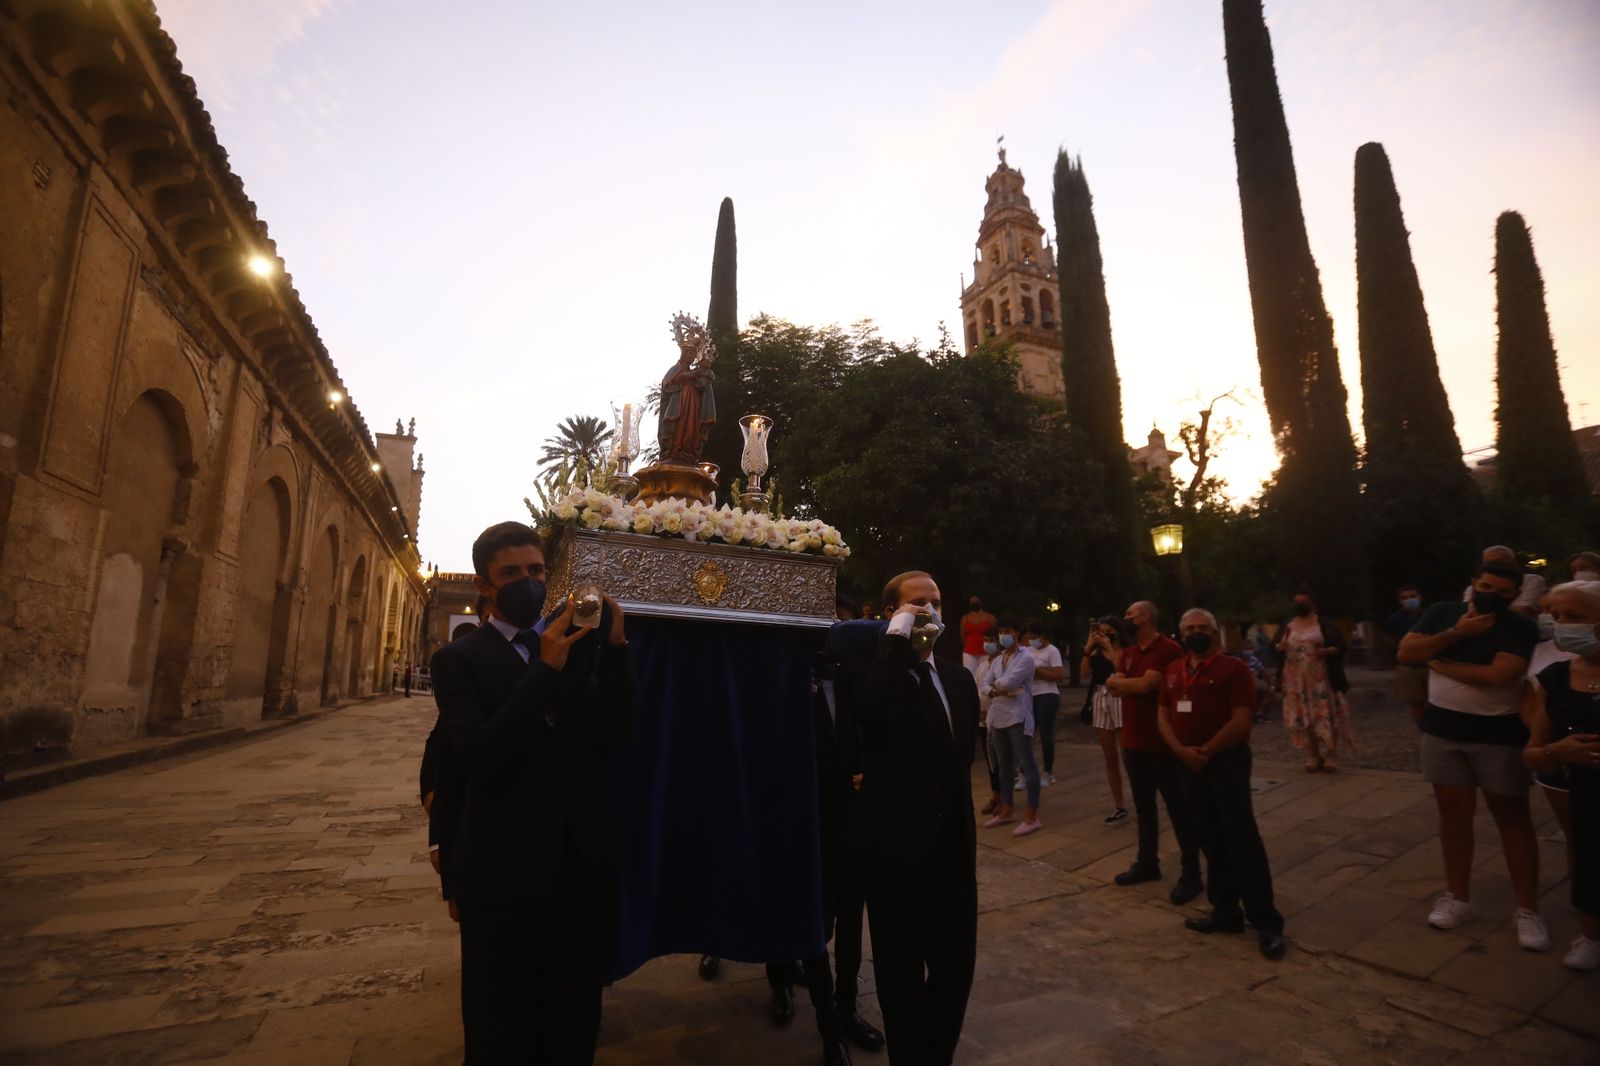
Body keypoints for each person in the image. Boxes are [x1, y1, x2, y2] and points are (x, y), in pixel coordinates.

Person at [431, 521, 634, 1062]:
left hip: (575, 871)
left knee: (571, 1022)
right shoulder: (459, 661)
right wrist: (544, 671)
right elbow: (483, 755)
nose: (529, 582)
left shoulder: (577, 644)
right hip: (501, 876)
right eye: (512, 573)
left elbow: (612, 736)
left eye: (537, 570)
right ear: (484, 585)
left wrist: (614, 652)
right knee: (501, 1026)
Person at [851, 570, 979, 1066]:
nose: (930, 611)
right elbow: (874, 712)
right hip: (896, 859)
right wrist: (898, 638)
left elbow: (960, 759)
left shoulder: (958, 679)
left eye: (936, 602)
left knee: (954, 973)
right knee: (900, 979)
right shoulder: (874, 670)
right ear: (893, 613)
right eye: (916, 604)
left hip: (952, 854)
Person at [1399, 560, 1548, 951]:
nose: (1492, 595)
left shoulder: (1519, 627)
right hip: (1443, 733)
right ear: (1473, 584)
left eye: (1502, 591)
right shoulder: (1444, 613)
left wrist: (1437, 662)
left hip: (1498, 737)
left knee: (1513, 820)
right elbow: (1407, 651)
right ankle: (1458, 897)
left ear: (1514, 595)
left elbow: (1499, 676)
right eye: (1487, 586)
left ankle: (1527, 909)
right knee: (1452, 816)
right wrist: (1455, 634)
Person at [1158, 608, 1287, 960]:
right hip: (1188, 764)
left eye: (1203, 627)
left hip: (1225, 762)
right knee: (1208, 837)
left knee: (1241, 838)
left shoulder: (1235, 669)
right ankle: (1225, 911)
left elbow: (1242, 720)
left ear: (1215, 633)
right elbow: (1164, 714)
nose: (1196, 632)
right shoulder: (1174, 671)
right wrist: (1181, 752)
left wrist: (1206, 751)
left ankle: (1265, 921)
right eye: (1190, 628)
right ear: (1182, 634)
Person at [1522, 580, 1600, 971]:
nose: (1562, 625)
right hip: (1585, 796)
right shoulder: (1554, 679)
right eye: (1556, 617)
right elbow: (1532, 754)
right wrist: (1561, 751)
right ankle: (1591, 938)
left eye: (1574, 617)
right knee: (1588, 863)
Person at [1104, 601, 1202, 904]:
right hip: (1133, 742)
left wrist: (1130, 685)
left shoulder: (1168, 649)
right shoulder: (1131, 654)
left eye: (1130, 614)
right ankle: (1147, 863)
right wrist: (1133, 685)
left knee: (1178, 807)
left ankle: (1192, 873)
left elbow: (1150, 684)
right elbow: (1112, 684)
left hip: (1162, 743)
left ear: (1145, 617)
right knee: (1144, 807)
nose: (1126, 619)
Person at [1274, 591, 1354, 772]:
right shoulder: (1288, 625)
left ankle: (1331, 754)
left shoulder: (1323, 624)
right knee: (1305, 717)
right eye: (1296, 602)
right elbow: (1277, 646)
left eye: (1304, 602)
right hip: (1296, 680)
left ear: (1312, 603)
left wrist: (1327, 651)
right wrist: (1280, 647)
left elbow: (1340, 646)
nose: (1300, 605)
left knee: (1325, 715)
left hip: (1321, 679)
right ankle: (1313, 754)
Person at [981, 621, 1042, 836]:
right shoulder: (998, 659)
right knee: (1004, 764)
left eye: (1007, 632)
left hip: (1018, 715)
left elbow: (1008, 682)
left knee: (1027, 763)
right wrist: (999, 689)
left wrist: (998, 687)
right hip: (998, 716)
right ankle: (1007, 809)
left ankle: (1032, 816)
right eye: (1000, 633)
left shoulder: (1025, 658)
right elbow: (985, 686)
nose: (1003, 636)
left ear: (1017, 633)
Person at [1083, 616, 1128, 826]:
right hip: (1101, 697)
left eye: (1109, 630)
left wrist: (1110, 648)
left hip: (1120, 696)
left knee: (1128, 754)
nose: (1104, 634)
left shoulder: (1126, 651)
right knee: (1110, 756)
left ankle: (1140, 795)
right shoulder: (1096, 652)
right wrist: (1088, 647)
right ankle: (1119, 805)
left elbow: (1123, 670)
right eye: (1101, 631)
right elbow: (1084, 674)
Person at [1024, 622, 1065, 786]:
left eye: (1035, 638)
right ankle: (1026, 771)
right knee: (1027, 734)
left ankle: (1048, 772)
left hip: (1047, 694)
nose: (1032, 641)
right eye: (1030, 638)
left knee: (1046, 734)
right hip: (1029, 695)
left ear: (1043, 637)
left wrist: (1037, 671)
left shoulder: (1052, 651)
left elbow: (1058, 675)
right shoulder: (1026, 651)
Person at [1461, 545, 1546, 619]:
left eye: (1504, 591)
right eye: (1491, 563)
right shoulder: (1473, 587)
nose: (1496, 566)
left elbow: (1524, 611)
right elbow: (1467, 611)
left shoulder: (1532, 580)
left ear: (1513, 561)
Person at [1385, 585, 1428, 722]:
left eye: (1413, 596)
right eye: (1405, 598)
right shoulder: (1394, 619)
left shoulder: (1428, 615)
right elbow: (1391, 642)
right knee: (1415, 703)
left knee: (1435, 702)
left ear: (1420, 597)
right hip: (1407, 667)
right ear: (1400, 601)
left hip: (1430, 665)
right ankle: (1423, 732)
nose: (1410, 600)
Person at [974, 630, 1002, 816]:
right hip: (983, 720)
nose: (988, 644)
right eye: (985, 640)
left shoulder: (1003, 664)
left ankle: (1005, 798)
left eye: (991, 640)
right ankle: (996, 795)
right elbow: (977, 688)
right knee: (991, 760)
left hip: (1000, 718)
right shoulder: (982, 665)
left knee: (1002, 760)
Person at [960, 596, 997, 676]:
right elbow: (963, 636)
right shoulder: (965, 618)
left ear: (981, 602)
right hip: (969, 652)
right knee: (969, 676)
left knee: (985, 675)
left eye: (976, 601)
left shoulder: (990, 618)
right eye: (972, 602)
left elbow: (995, 634)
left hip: (986, 651)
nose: (974, 603)